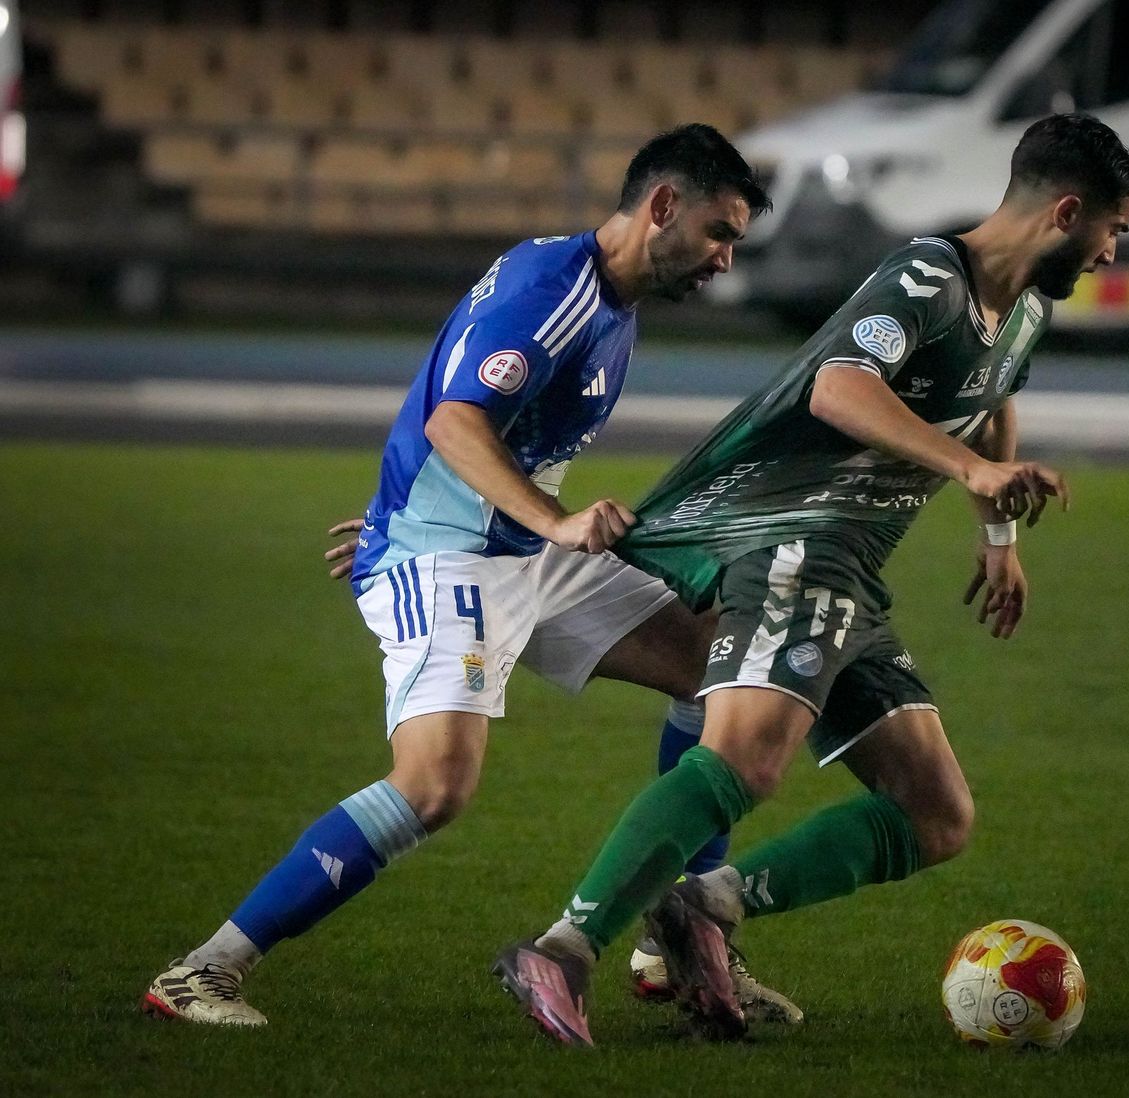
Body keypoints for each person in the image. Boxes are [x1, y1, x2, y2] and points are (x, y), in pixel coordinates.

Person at [496, 112, 1129, 1047]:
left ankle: (703, 908)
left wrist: (998, 533)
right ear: (1065, 211)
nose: (1112, 253)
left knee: (936, 814)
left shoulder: (1026, 312)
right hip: (793, 537)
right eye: (1113, 229)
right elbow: (837, 387)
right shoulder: (926, 278)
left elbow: (993, 395)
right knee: (744, 759)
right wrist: (970, 473)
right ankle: (561, 951)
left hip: (850, 568)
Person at [140, 124, 801, 1028]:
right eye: (721, 232)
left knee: (717, 661)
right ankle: (202, 972)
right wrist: (512, 521)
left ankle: (672, 942)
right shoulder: (552, 292)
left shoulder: (608, 298)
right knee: (435, 785)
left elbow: (475, 418)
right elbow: (457, 419)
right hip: (454, 555)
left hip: (516, 548)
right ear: (662, 208)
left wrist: (428, 506)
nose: (727, 258)